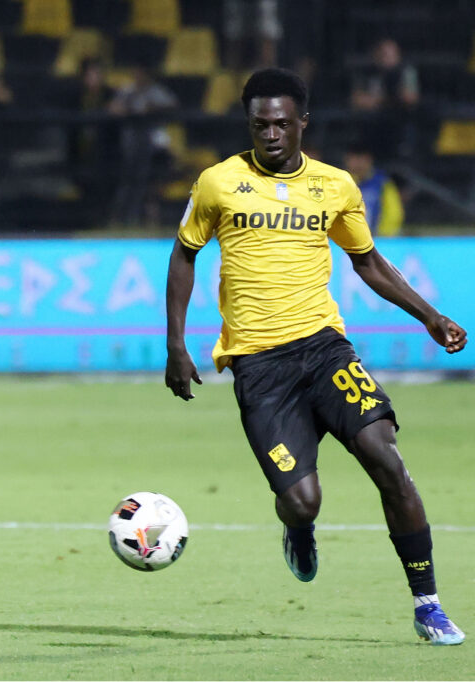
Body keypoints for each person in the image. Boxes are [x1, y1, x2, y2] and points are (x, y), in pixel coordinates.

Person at [165, 68, 466, 646]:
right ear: (249, 124)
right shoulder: (217, 183)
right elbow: (184, 256)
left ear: (302, 123)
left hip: (325, 349)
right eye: (260, 125)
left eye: (282, 123)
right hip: (259, 365)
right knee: (303, 503)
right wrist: (176, 345)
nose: (271, 134)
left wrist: (430, 316)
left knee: (387, 459)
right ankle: (299, 529)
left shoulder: (335, 186)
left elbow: (367, 261)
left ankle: (427, 604)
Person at [344, 141, 404, 237]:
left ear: (369, 160)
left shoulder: (382, 184)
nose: (358, 164)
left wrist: (383, 236)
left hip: (377, 239)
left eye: (362, 159)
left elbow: (394, 214)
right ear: (347, 161)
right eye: (354, 159)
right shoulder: (341, 184)